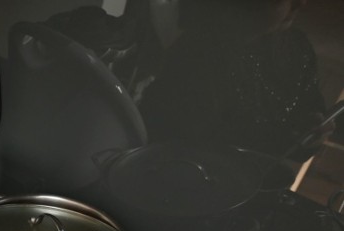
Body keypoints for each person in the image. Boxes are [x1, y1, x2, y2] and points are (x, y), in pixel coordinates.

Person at [139, 0, 327, 161]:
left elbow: (311, 106)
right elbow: (181, 144)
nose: (301, 4)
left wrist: (312, 132)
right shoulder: (199, 55)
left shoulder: (297, 48)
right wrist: (279, 141)